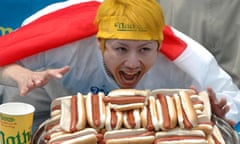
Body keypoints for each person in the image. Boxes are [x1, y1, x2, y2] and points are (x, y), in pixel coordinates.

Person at [0, 0, 239, 129]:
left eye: (145, 49)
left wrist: (218, 115)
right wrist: (21, 75)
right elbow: (4, 58)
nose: (133, 63)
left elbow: (231, 98)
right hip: (52, 95)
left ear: (159, 45)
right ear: (100, 43)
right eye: (121, 49)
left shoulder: (185, 60)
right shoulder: (66, 44)